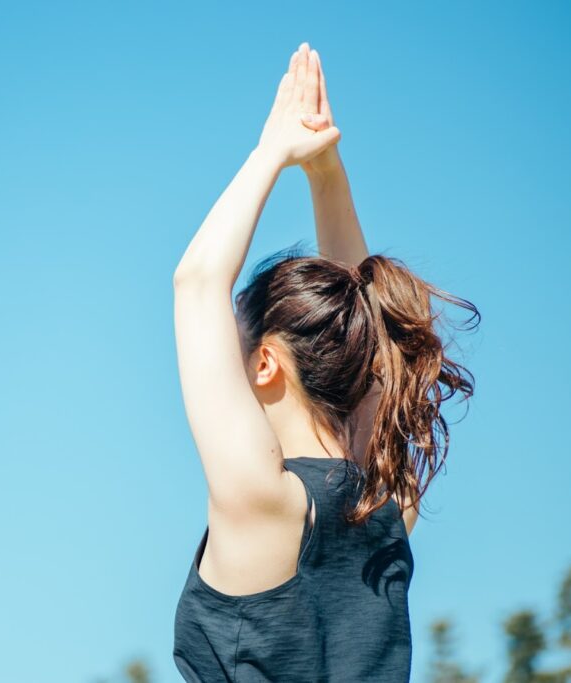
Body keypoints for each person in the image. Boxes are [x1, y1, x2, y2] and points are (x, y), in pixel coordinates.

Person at [170, 42, 479, 682]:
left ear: (263, 364)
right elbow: (368, 335)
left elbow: (197, 282)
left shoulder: (262, 502)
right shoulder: (389, 501)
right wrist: (324, 170)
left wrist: (272, 153)